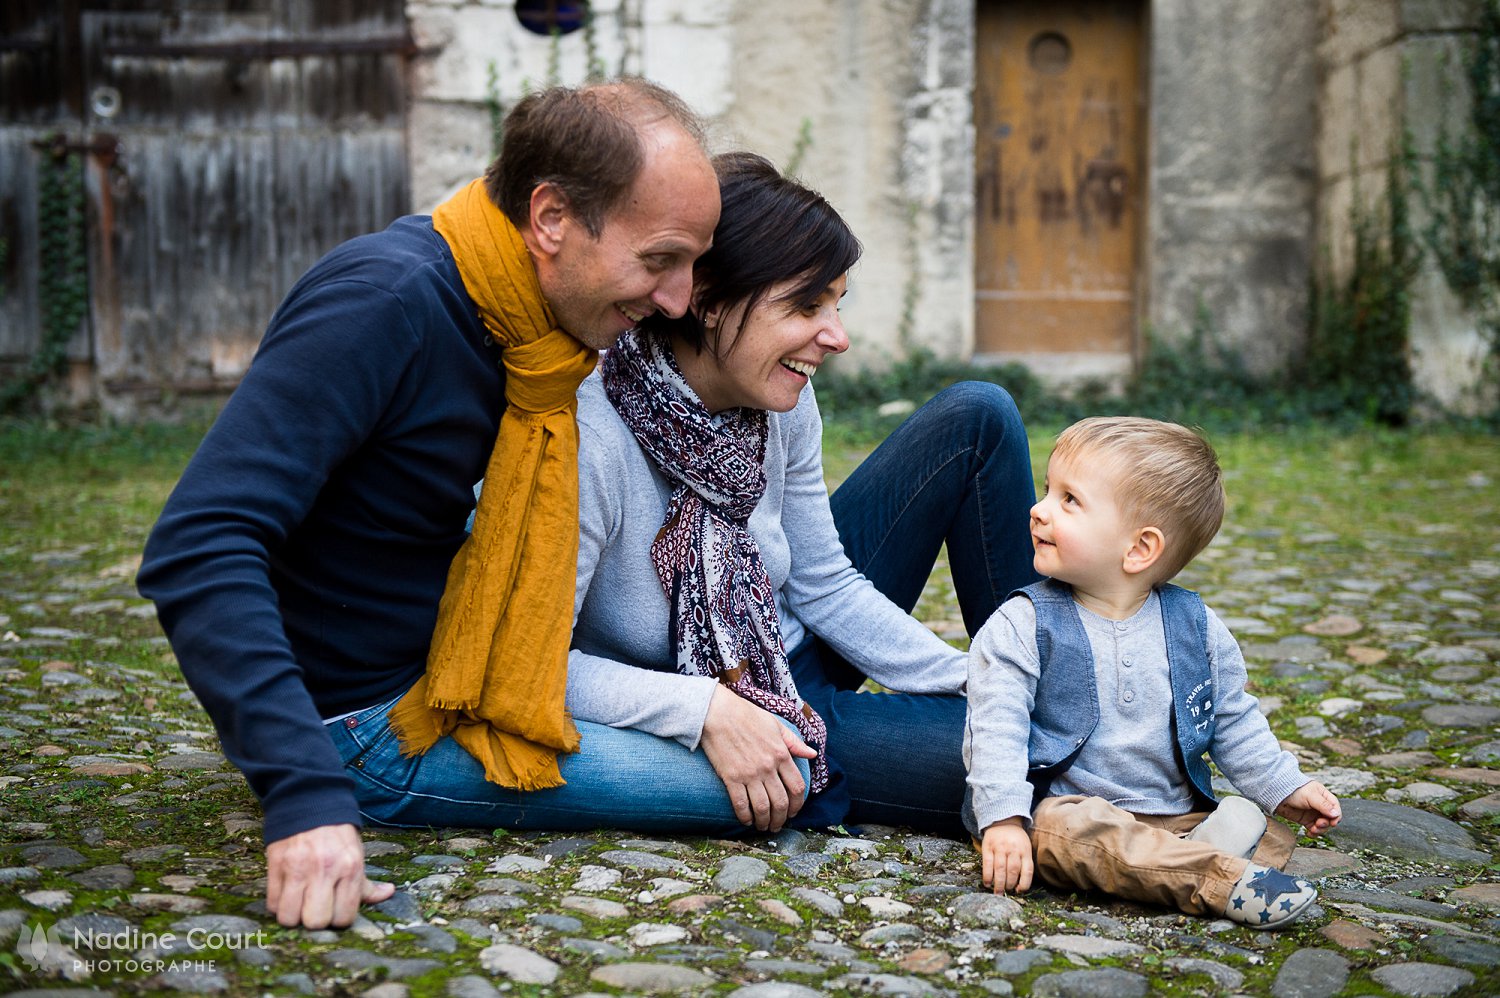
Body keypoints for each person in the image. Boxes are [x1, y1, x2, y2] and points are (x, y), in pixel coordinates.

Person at [136, 79, 720, 930]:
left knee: (774, 742)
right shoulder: (387, 302)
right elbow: (201, 542)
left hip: (460, 677)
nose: (676, 297)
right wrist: (304, 793)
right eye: (662, 258)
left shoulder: (531, 336)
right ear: (550, 216)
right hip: (375, 726)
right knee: (764, 782)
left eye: (695, 263)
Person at [963, 416, 1342, 929]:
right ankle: (1215, 877)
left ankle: (1180, 862)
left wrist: (1283, 786)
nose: (1038, 509)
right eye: (1047, 490)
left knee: (1260, 821)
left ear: (1140, 549)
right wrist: (1004, 820)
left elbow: (1231, 718)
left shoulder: (1196, 628)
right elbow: (994, 728)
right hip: (1072, 811)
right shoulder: (1023, 623)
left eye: (1069, 500)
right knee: (1060, 832)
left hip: (1174, 814)